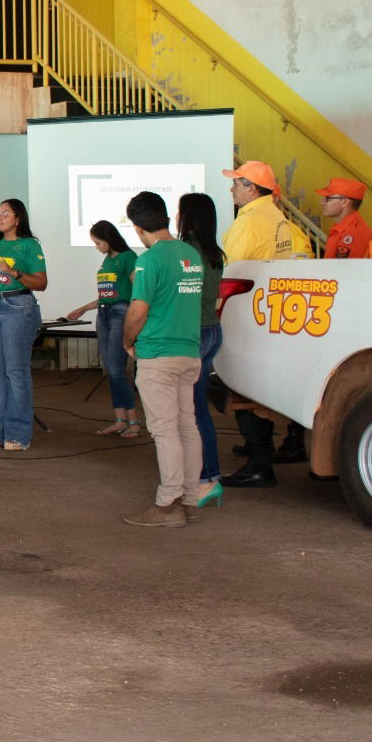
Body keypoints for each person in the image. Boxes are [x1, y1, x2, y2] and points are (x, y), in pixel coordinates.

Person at [120, 191, 206, 528]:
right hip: (189, 353)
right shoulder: (191, 255)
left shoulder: (149, 260)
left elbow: (138, 310)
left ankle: (167, 505)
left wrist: (128, 341)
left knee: (165, 431)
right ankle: (189, 500)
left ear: (139, 228)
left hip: (158, 354)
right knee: (187, 427)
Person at [220, 160, 301, 486]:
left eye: (236, 183)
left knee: (243, 388)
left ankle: (259, 463)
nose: (231, 188)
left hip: (246, 311)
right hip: (269, 310)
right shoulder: (278, 218)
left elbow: (231, 272)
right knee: (259, 392)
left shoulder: (250, 221)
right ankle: (259, 456)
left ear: (251, 188)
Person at [0, 198, 47, 451]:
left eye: (5, 213)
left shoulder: (29, 246)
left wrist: (14, 273)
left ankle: (18, 433)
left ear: (18, 219)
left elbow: (41, 283)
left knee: (15, 371)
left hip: (18, 307)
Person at [65, 221, 140, 438]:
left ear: (109, 239)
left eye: (98, 242)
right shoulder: (108, 260)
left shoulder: (128, 257)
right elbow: (107, 296)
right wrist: (83, 308)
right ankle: (119, 420)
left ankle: (133, 422)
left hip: (120, 314)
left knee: (118, 371)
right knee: (111, 370)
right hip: (104, 314)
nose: (96, 247)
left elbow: (137, 289)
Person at [178, 193, 227, 509]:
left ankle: (208, 478)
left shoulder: (188, 251)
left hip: (194, 334)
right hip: (211, 330)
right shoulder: (213, 252)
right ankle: (203, 476)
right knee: (196, 408)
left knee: (193, 411)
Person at [318, 177, 372, 259]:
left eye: (327, 198)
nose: (321, 202)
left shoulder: (352, 232)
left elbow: (345, 270)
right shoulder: (342, 228)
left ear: (344, 202)